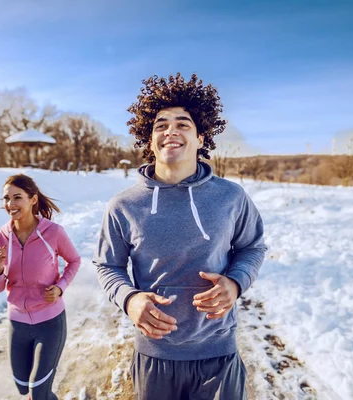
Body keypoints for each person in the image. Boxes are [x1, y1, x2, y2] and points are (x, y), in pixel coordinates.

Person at [93, 73, 267, 400]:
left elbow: (253, 247)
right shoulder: (123, 205)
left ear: (202, 138)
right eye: (161, 125)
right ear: (150, 140)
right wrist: (130, 300)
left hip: (218, 355)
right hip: (155, 357)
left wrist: (235, 282)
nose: (170, 130)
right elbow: (107, 265)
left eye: (183, 124)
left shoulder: (231, 197)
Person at [0, 174, 81, 400]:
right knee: (23, 388)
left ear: (33, 200)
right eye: (6, 199)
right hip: (17, 323)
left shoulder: (53, 233)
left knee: (38, 392)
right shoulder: (1, 236)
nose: (10, 204)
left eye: (17, 197)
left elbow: (74, 261)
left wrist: (59, 287)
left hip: (49, 322)